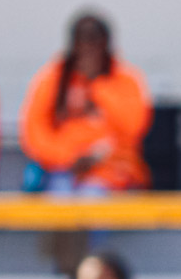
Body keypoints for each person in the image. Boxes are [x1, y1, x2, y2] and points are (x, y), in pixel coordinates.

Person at [19, 12, 152, 194]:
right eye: (82, 42)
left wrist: (97, 86)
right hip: (62, 169)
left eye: (94, 42)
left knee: (91, 197)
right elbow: (34, 132)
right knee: (60, 200)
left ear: (106, 44)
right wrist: (68, 158)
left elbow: (133, 127)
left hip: (111, 172)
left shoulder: (126, 79)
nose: (88, 50)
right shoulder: (53, 78)